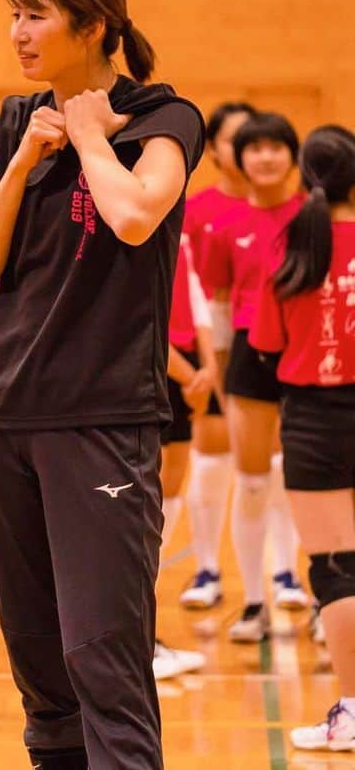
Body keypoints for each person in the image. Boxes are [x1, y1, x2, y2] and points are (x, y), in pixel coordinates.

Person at [0, 0, 204, 769]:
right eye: (13, 13)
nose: (18, 33)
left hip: (103, 425)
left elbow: (134, 215)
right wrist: (24, 158)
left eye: (36, 14)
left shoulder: (162, 118)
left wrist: (92, 136)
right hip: (6, 422)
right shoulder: (16, 127)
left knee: (106, 663)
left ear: (93, 24)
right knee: (41, 675)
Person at [250, 124, 355, 751]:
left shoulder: (290, 244)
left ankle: (352, 708)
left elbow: (265, 346)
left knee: (339, 569)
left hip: (316, 418)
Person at [198, 112, 309, 642]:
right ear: (237, 158)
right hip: (247, 355)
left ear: (293, 155)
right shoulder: (227, 226)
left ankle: (315, 595)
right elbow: (218, 307)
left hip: (305, 352)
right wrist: (220, 375)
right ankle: (254, 602)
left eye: (276, 146)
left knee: (312, 483)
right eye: (254, 147)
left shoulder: (313, 219)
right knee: (254, 481)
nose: (265, 156)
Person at [178, 102, 255, 609]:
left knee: (268, 464)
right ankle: (207, 567)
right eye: (236, 139)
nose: (249, 150)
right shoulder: (196, 209)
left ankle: (281, 579)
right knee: (209, 457)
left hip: (262, 342)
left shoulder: (287, 208)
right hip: (208, 340)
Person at [152, 236, 213, 680]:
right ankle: (135, 637)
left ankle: (142, 629)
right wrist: (191, 374)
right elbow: (134, 317)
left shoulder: (180, 230)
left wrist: (208, 367)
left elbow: (195, 294)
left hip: (187, 366)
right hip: (152, 364)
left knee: (169, 489)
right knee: (138, 498)